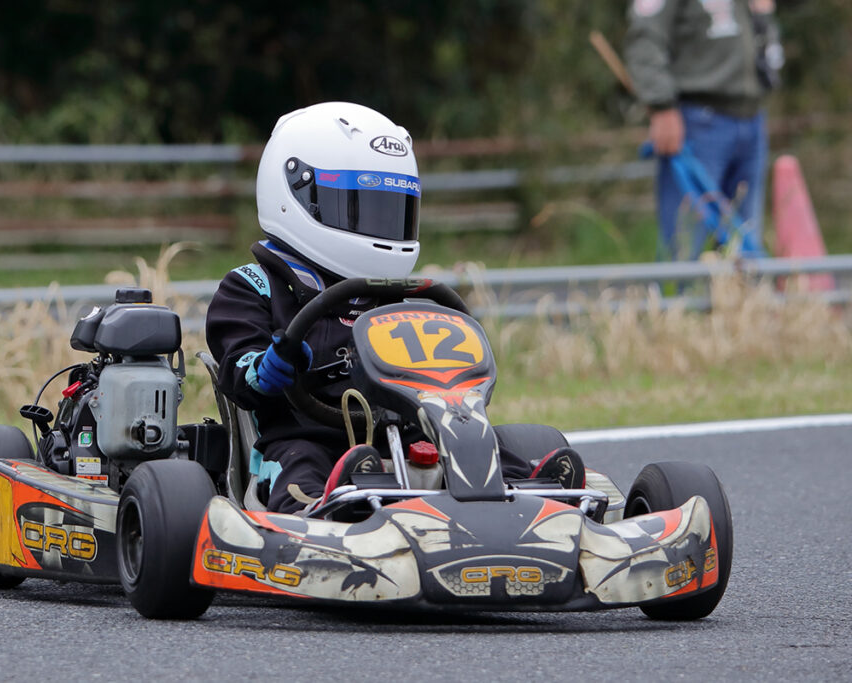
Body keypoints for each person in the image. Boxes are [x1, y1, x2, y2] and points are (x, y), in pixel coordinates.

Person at [205, 102, 584, 514]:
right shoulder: (251, 286)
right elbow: (236, 368)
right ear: (297, 193)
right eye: (359, 205)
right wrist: (268, 366)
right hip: (304, 435)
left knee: (474, 444)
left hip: (402, 426)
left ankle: (537, 493)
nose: (380, 224)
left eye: (391, 209)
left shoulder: (390, 296)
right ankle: (324, 511)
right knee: (302, 466)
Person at [624, 0, 783, 259]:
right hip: (698, 121)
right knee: (684, 244)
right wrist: (661, 106)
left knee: (743, 248)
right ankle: (679, 285)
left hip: (751, 117)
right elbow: (645, 38)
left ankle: (738, 285)